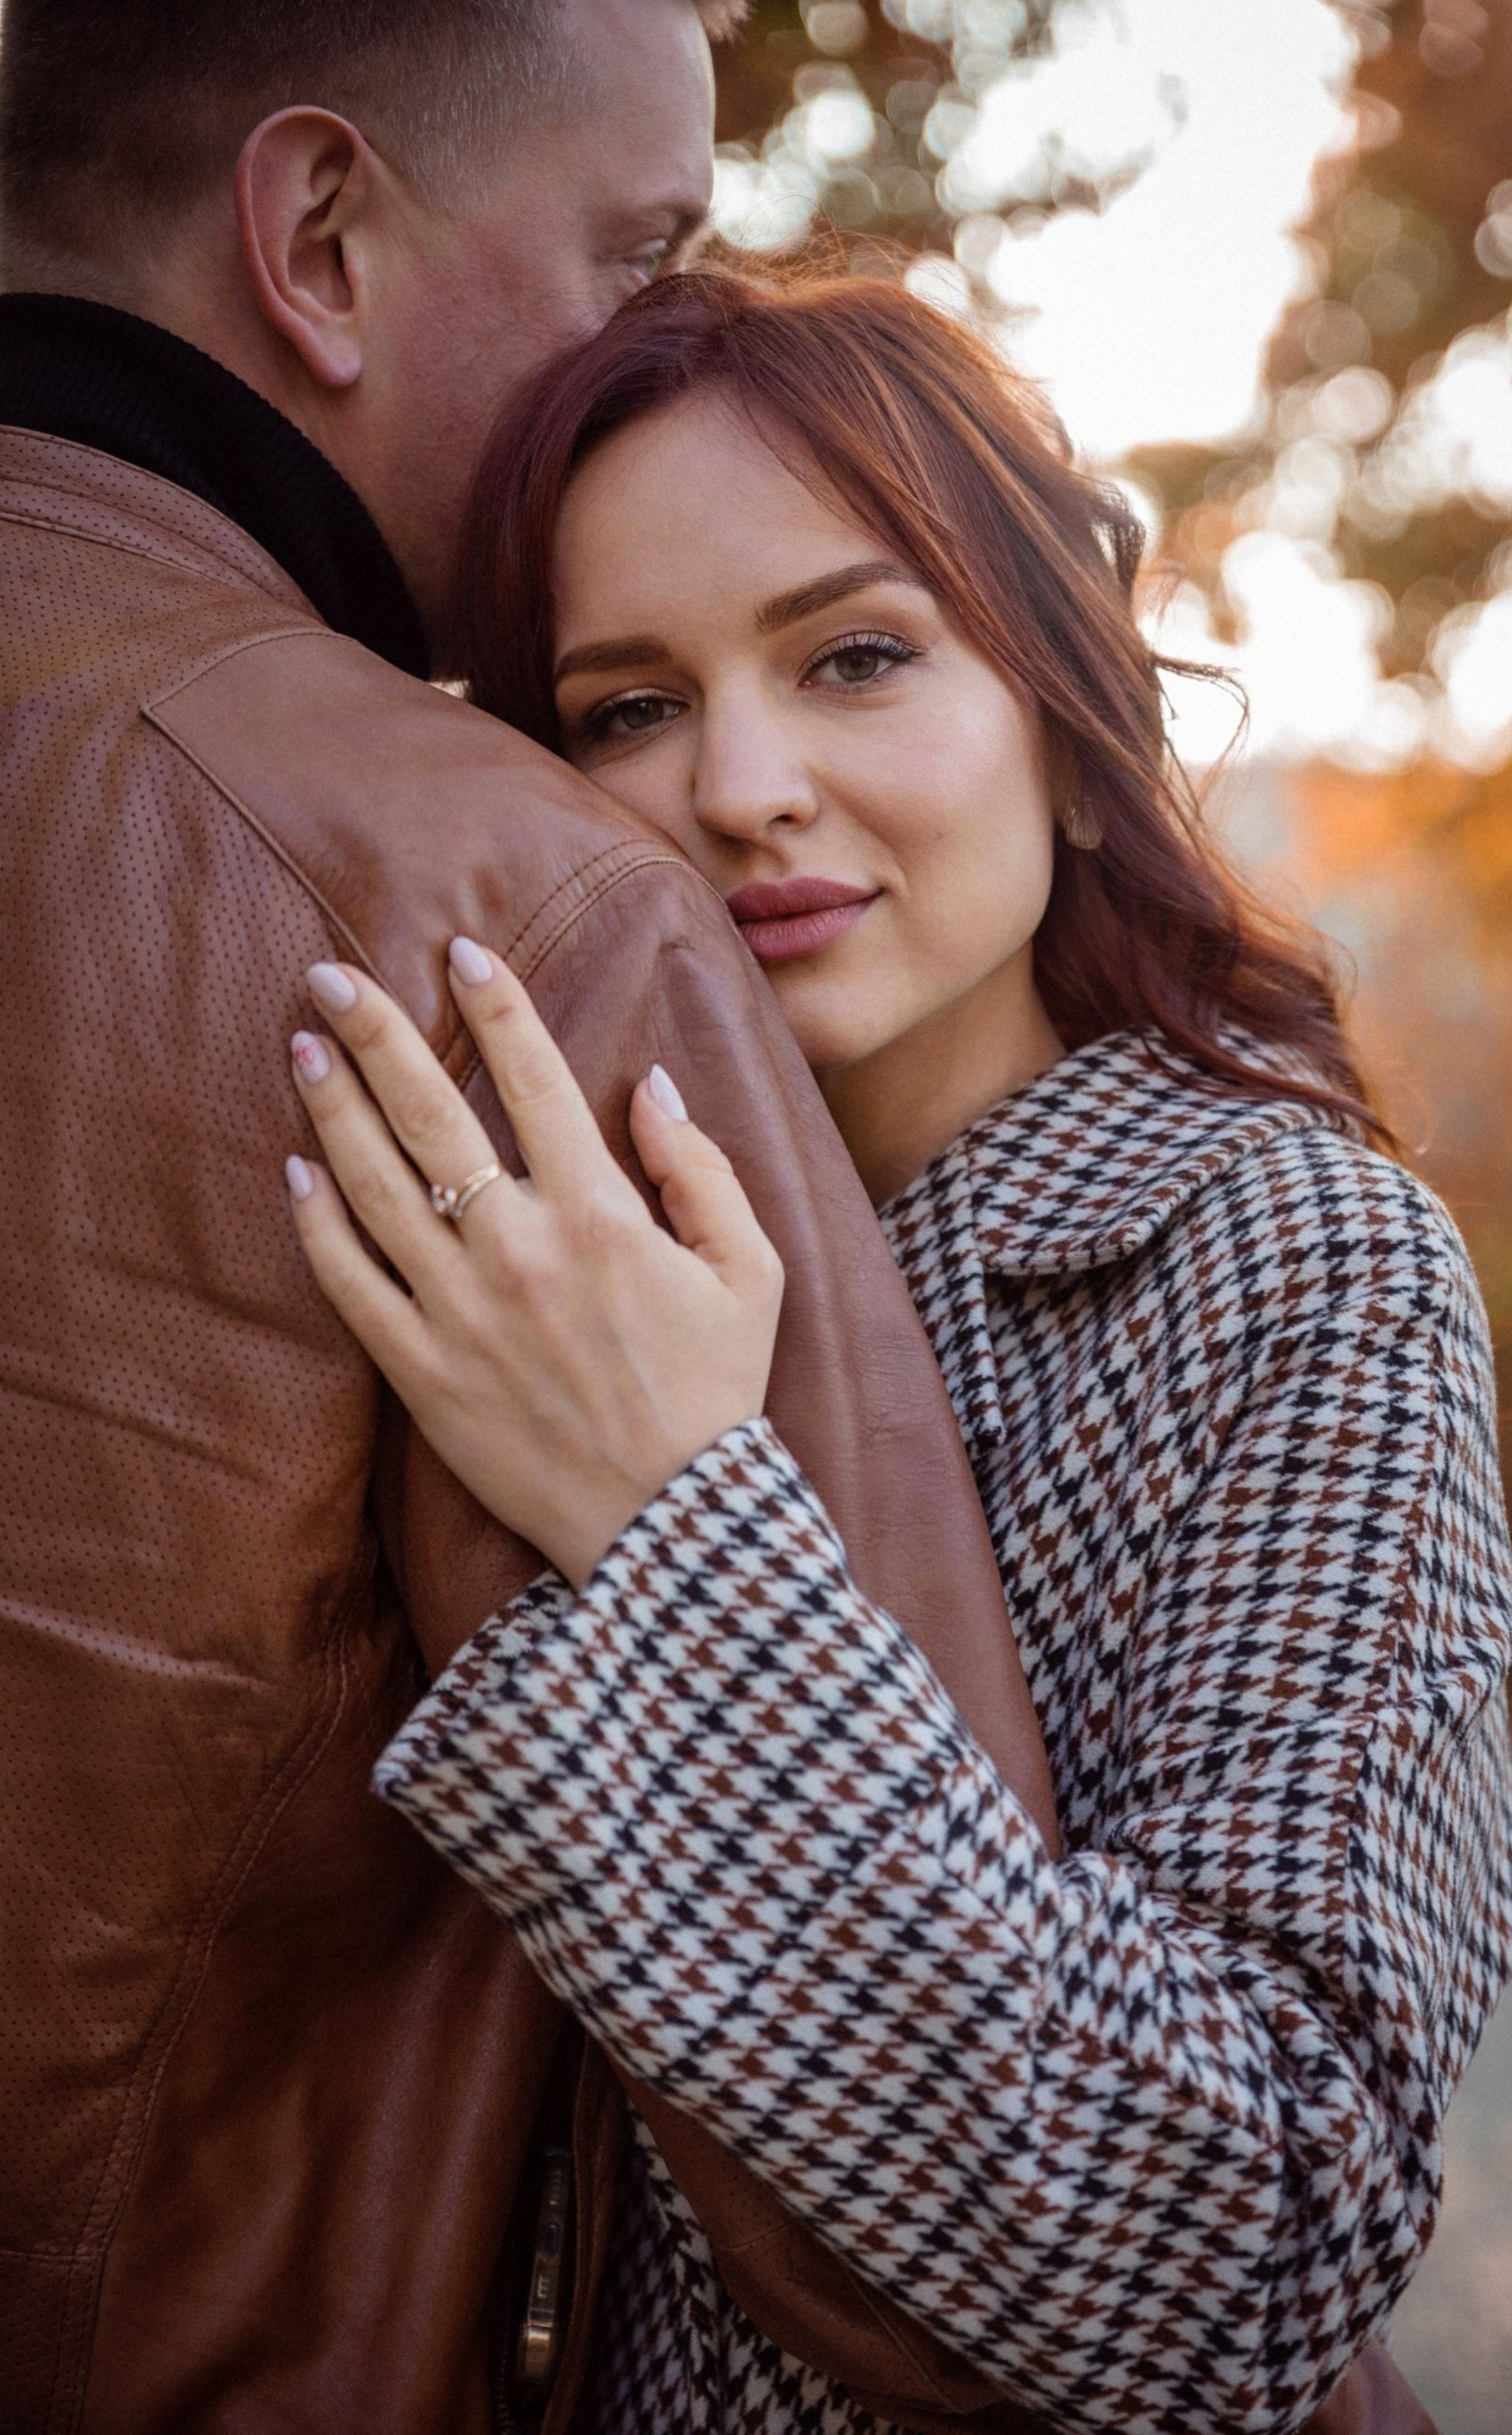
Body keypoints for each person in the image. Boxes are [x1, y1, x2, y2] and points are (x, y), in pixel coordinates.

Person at [284, 272, 1512, 2435]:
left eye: (857, 656)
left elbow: (1243, 2253)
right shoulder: (512, 1250)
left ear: (1060, 704)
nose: (746, 786)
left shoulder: (1292, 1266)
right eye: (623, 707)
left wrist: (681, 1534)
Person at [0, 13, 1060, 2429]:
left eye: (858, 655)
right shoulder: (494, 908)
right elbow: (971, 2239)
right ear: (321, 240)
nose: (663, 340)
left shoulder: (1291, 1260)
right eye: (639, 250)